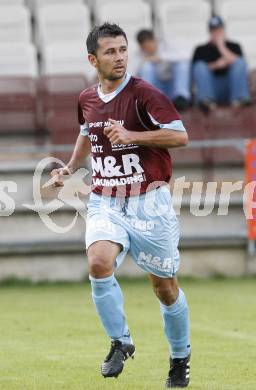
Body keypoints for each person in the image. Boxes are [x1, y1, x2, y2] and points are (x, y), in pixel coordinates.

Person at [51, 23, 191, 388]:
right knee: (98, 262)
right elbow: (87, 134)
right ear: (92, 59)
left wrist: (133, 135)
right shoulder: (87, 98)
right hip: (106, 200)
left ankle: (179, 358)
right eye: (111, 52)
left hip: (150, 203)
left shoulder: (146, 95)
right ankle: (120, 340)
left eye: (123, 50)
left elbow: (180, 135)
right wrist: (69, 167)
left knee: (165, 288)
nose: (119, 57)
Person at [192, 15, 251, 112]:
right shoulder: (200, 49)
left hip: (230, 87)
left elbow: (239, 64)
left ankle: (239, 98)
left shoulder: (234, 46)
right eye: (214, 30)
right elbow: (197, 71)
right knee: (199, 66)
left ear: (224, 30)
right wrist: (216, 65)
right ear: (209, 32)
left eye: (219, 30)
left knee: (239, 62)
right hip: (211, 88)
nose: (217, 33)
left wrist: (221, 47)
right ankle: (207, 100)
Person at [135, 29, 191, 111]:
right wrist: (144, 61)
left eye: (150, 45)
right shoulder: (138, 54)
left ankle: (181, 98)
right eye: (145, 47)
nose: (149, 49)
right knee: (146, 67)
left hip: (174, 87)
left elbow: (186, 57)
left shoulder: (168, 44)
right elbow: (132, 74)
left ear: (155, 40)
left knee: (182, 65)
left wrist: (161, 58)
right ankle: (148, 100)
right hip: (157, 90)